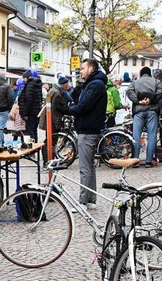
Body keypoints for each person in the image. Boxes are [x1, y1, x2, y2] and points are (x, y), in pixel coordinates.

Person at [61, 59, 107, 209]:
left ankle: (82, 202)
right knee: (90, 167)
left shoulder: (95, 85)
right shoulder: (93, 84)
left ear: (91, 69)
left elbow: (83, 107)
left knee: (85, 168)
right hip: (90, 128)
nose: (80, 71)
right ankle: (91, 200)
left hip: (88, 130)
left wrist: (66, 110)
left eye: (82, 68)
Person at [126, 66, 162, 167]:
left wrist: (138, 101)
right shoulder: (156, 82)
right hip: (152, 111)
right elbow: (161, 91)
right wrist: (151, 100)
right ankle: (149, 161)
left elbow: (129, 92)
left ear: (140, 73)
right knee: (151, 136)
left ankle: (135, 160)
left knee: (136, 137)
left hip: (138, 111)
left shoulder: (135, 82)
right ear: (150, 73)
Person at [39, 76, 71, 161]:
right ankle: (48, 159)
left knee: (49, 139)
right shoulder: (57, 93)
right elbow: (52, 110)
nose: (68, 85)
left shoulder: (53, 90)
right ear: (63, 84)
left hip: (50, 120)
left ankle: (48, 158)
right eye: (67, 84)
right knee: (51, 140)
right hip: (52, 121)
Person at [18, 69, 43, 143]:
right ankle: (35, 148)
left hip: (30, 113)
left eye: (24, 78)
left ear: (27, 77)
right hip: (36, 112)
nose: (23, 80)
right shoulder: (37, 85)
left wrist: (25, 113)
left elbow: (28, 100)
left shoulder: (29, 85)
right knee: (34, 131)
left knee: (29, 132)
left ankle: (31, 150)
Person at [0, 72, 14, 146]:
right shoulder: (7, 86)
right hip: (3, 109)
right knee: (1, 128)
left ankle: (1, 143)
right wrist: (10, 108)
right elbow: (10, 98)